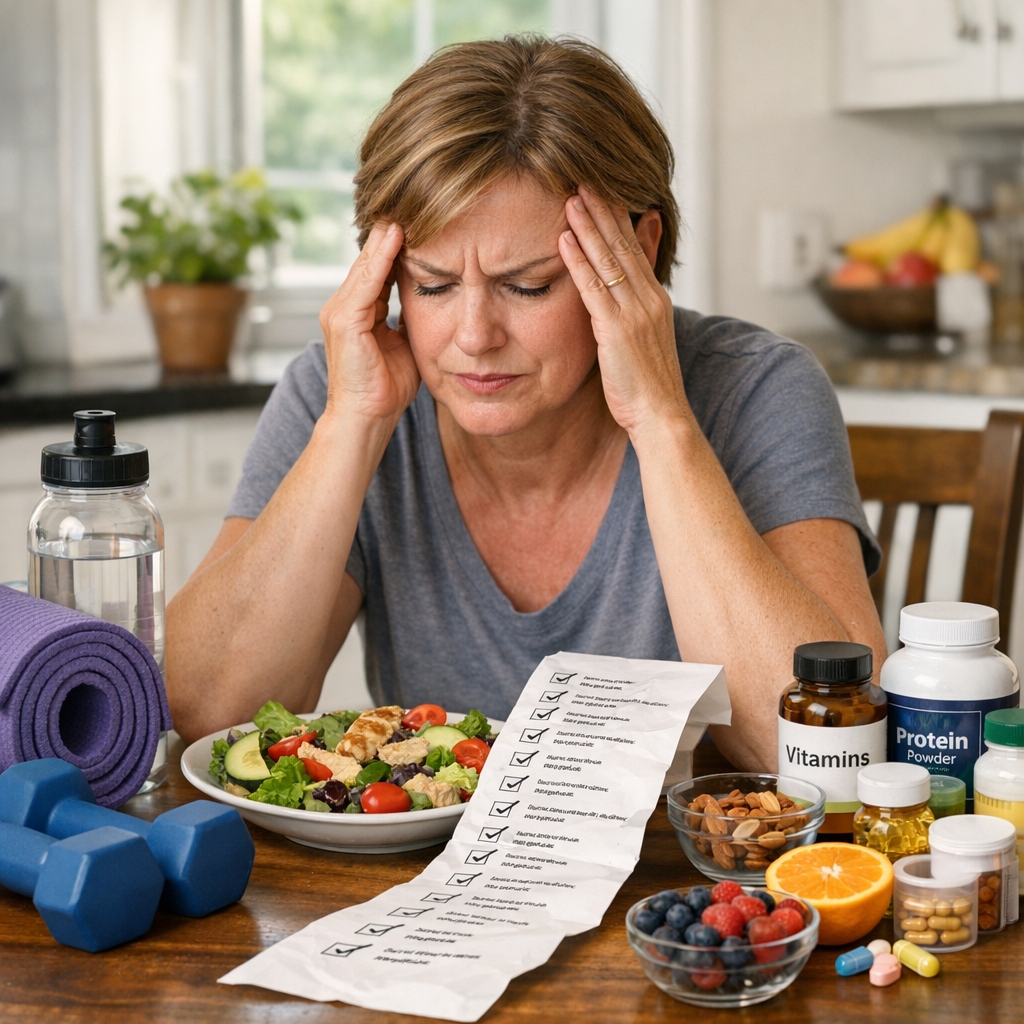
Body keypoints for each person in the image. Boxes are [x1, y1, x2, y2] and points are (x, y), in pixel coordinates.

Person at [166, 35, 885, 771]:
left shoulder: (758, 388)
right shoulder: (343, 392)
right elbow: (211, 712)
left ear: (637, 252)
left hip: (679, 851)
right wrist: (352, 425)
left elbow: (830, 753)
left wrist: (661, 421)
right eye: (432, 285)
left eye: (528, 286)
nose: (474, 336)